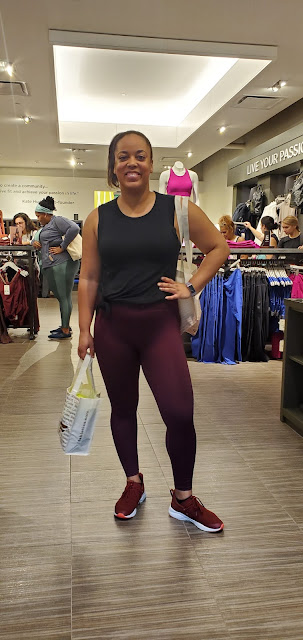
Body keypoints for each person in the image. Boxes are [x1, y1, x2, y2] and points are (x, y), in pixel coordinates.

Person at [78, 129, 230, 533]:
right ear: (113, 166)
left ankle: (183, 498)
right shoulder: (98, 218)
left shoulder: (176, 209)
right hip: (113, 326)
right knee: (123, 409)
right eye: (123, 156)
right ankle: (133, 482)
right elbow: (89, 277)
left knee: (180, 413)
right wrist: (83, 329)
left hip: (160, 325)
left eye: (140, 156)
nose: (132, 163)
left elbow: (219, 246)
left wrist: (192, 285)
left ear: (151, 164)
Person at [32, 196, 80, 338]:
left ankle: (65, 330)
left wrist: (62, 247)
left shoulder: (58, 220)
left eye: (39, 215)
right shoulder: (45, 227)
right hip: (53, 264)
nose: (38, 218)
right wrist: (35, 243)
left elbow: (74, 228)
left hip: (62, 263)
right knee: (61, 296)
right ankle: (64, 325)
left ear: (46, 213)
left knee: (64, 296)